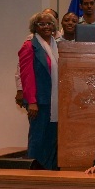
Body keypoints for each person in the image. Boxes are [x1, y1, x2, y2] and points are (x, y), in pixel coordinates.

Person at [19, 11, 60, 170]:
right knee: (38, 139)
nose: (46, 27)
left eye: (49, 23)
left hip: (54, 101)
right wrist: (32, 102)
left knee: (51, 139)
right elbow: (27, 76)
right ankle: (33, 172)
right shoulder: (30, 46)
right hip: (39, 102)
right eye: (41, 24)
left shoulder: (57, 45)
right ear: (34, 27)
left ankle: (49, 171)